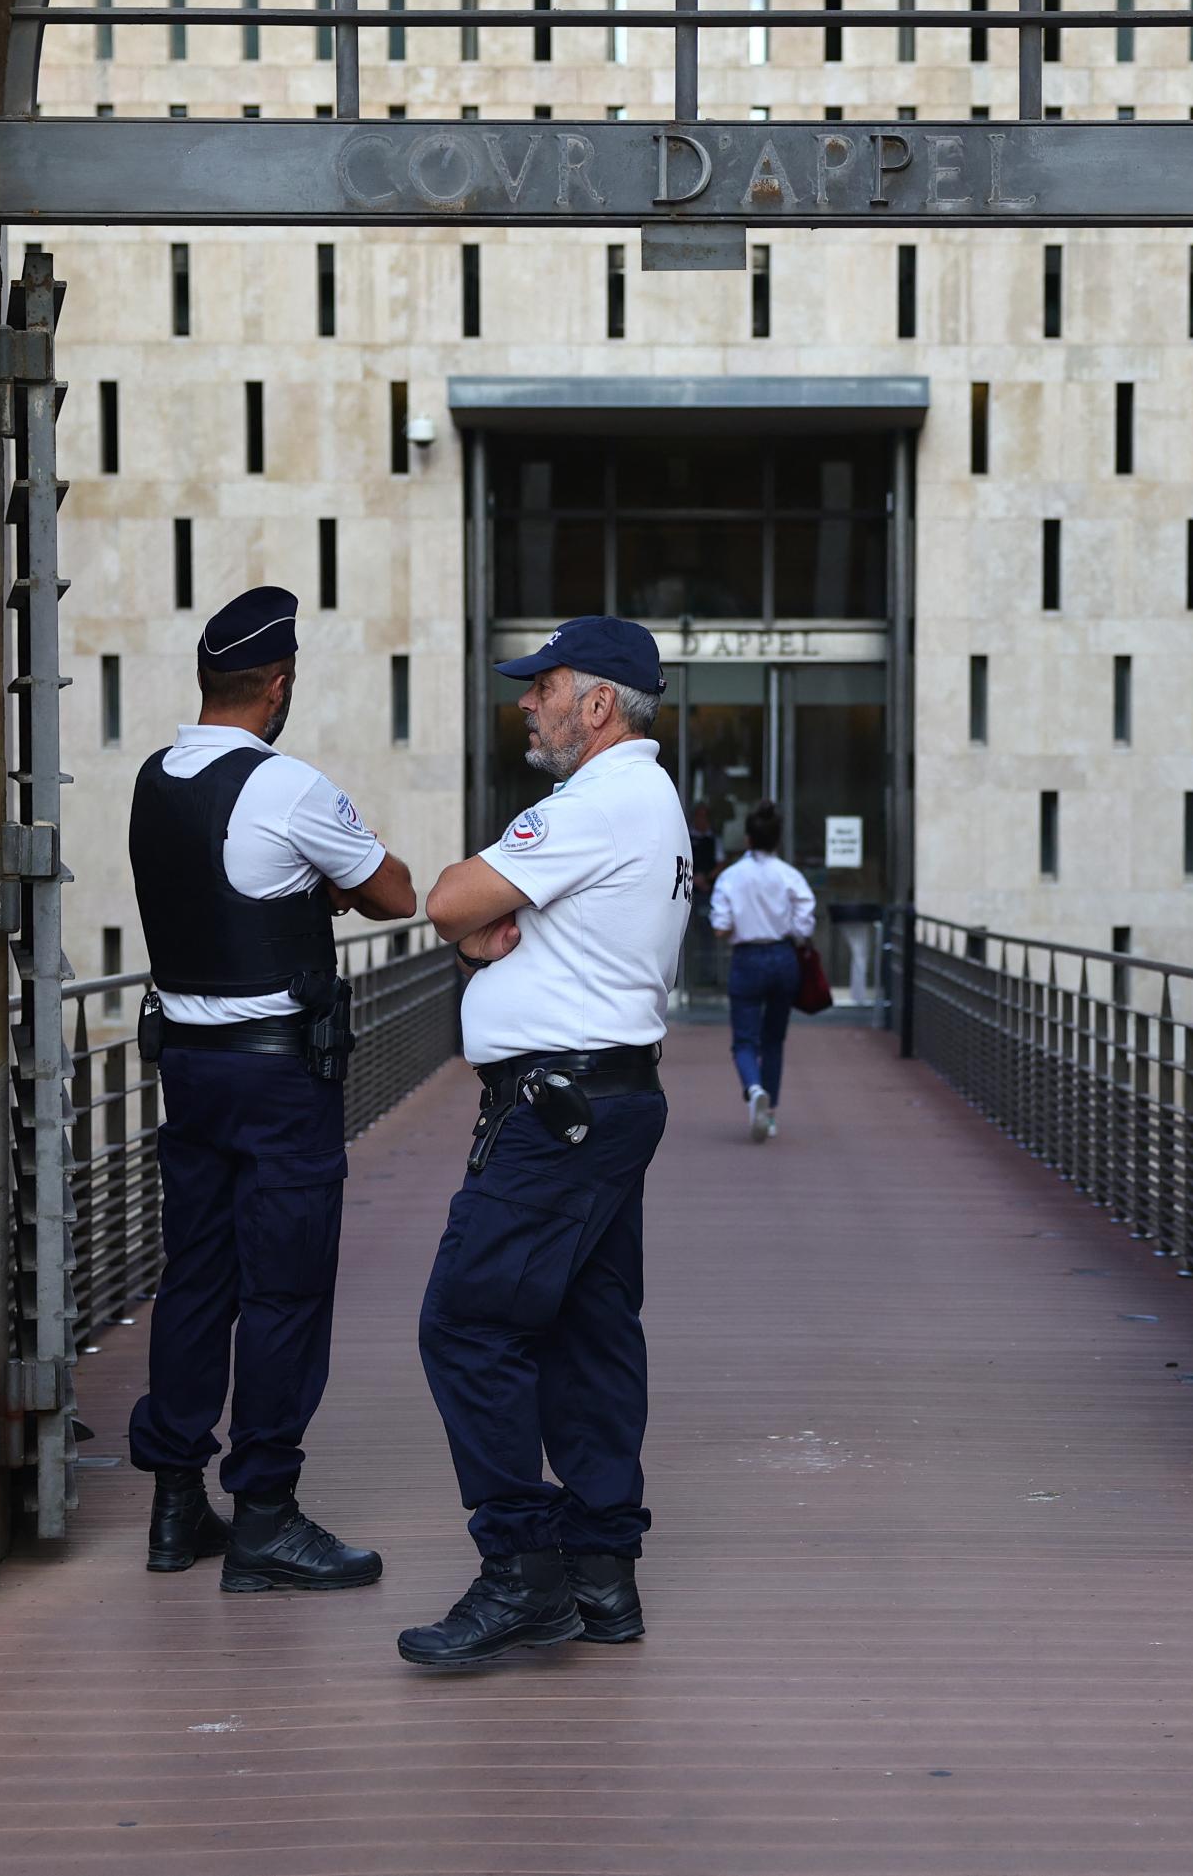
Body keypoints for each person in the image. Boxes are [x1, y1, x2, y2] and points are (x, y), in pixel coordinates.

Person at [399, 615, 691, 1668]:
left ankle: (520, 1570)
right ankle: (603, 1575)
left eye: (545, 685)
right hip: (605, 1101)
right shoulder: (643, 801)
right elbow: (483, 921)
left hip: (557, 1115)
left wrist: (470, 925)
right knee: (590, 1331)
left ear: (598, 704)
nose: (527, 700)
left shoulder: (600, 800)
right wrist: (485, 934)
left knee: (467, 1326)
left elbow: (449, 899)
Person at [124, 585, 416, 1594]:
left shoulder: (154, 779)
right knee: (285, 1289)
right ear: (278, 686)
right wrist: (327, 877)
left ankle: (173, 1505)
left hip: (188, 1071)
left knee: (196, 1277)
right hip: (277, 1076)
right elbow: (395, 892)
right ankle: (265, 1516)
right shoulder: (287, 788)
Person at [707, 802, 818, 1141]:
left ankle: (754, 1089)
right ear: (777, 840)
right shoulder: (789, 875)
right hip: (783, 957)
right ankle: (769, 1115)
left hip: (747, 959)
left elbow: (720, 927)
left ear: (748, 839)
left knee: (744, 1039)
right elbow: (805, 921)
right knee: (774, 1039)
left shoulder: (731, 876)